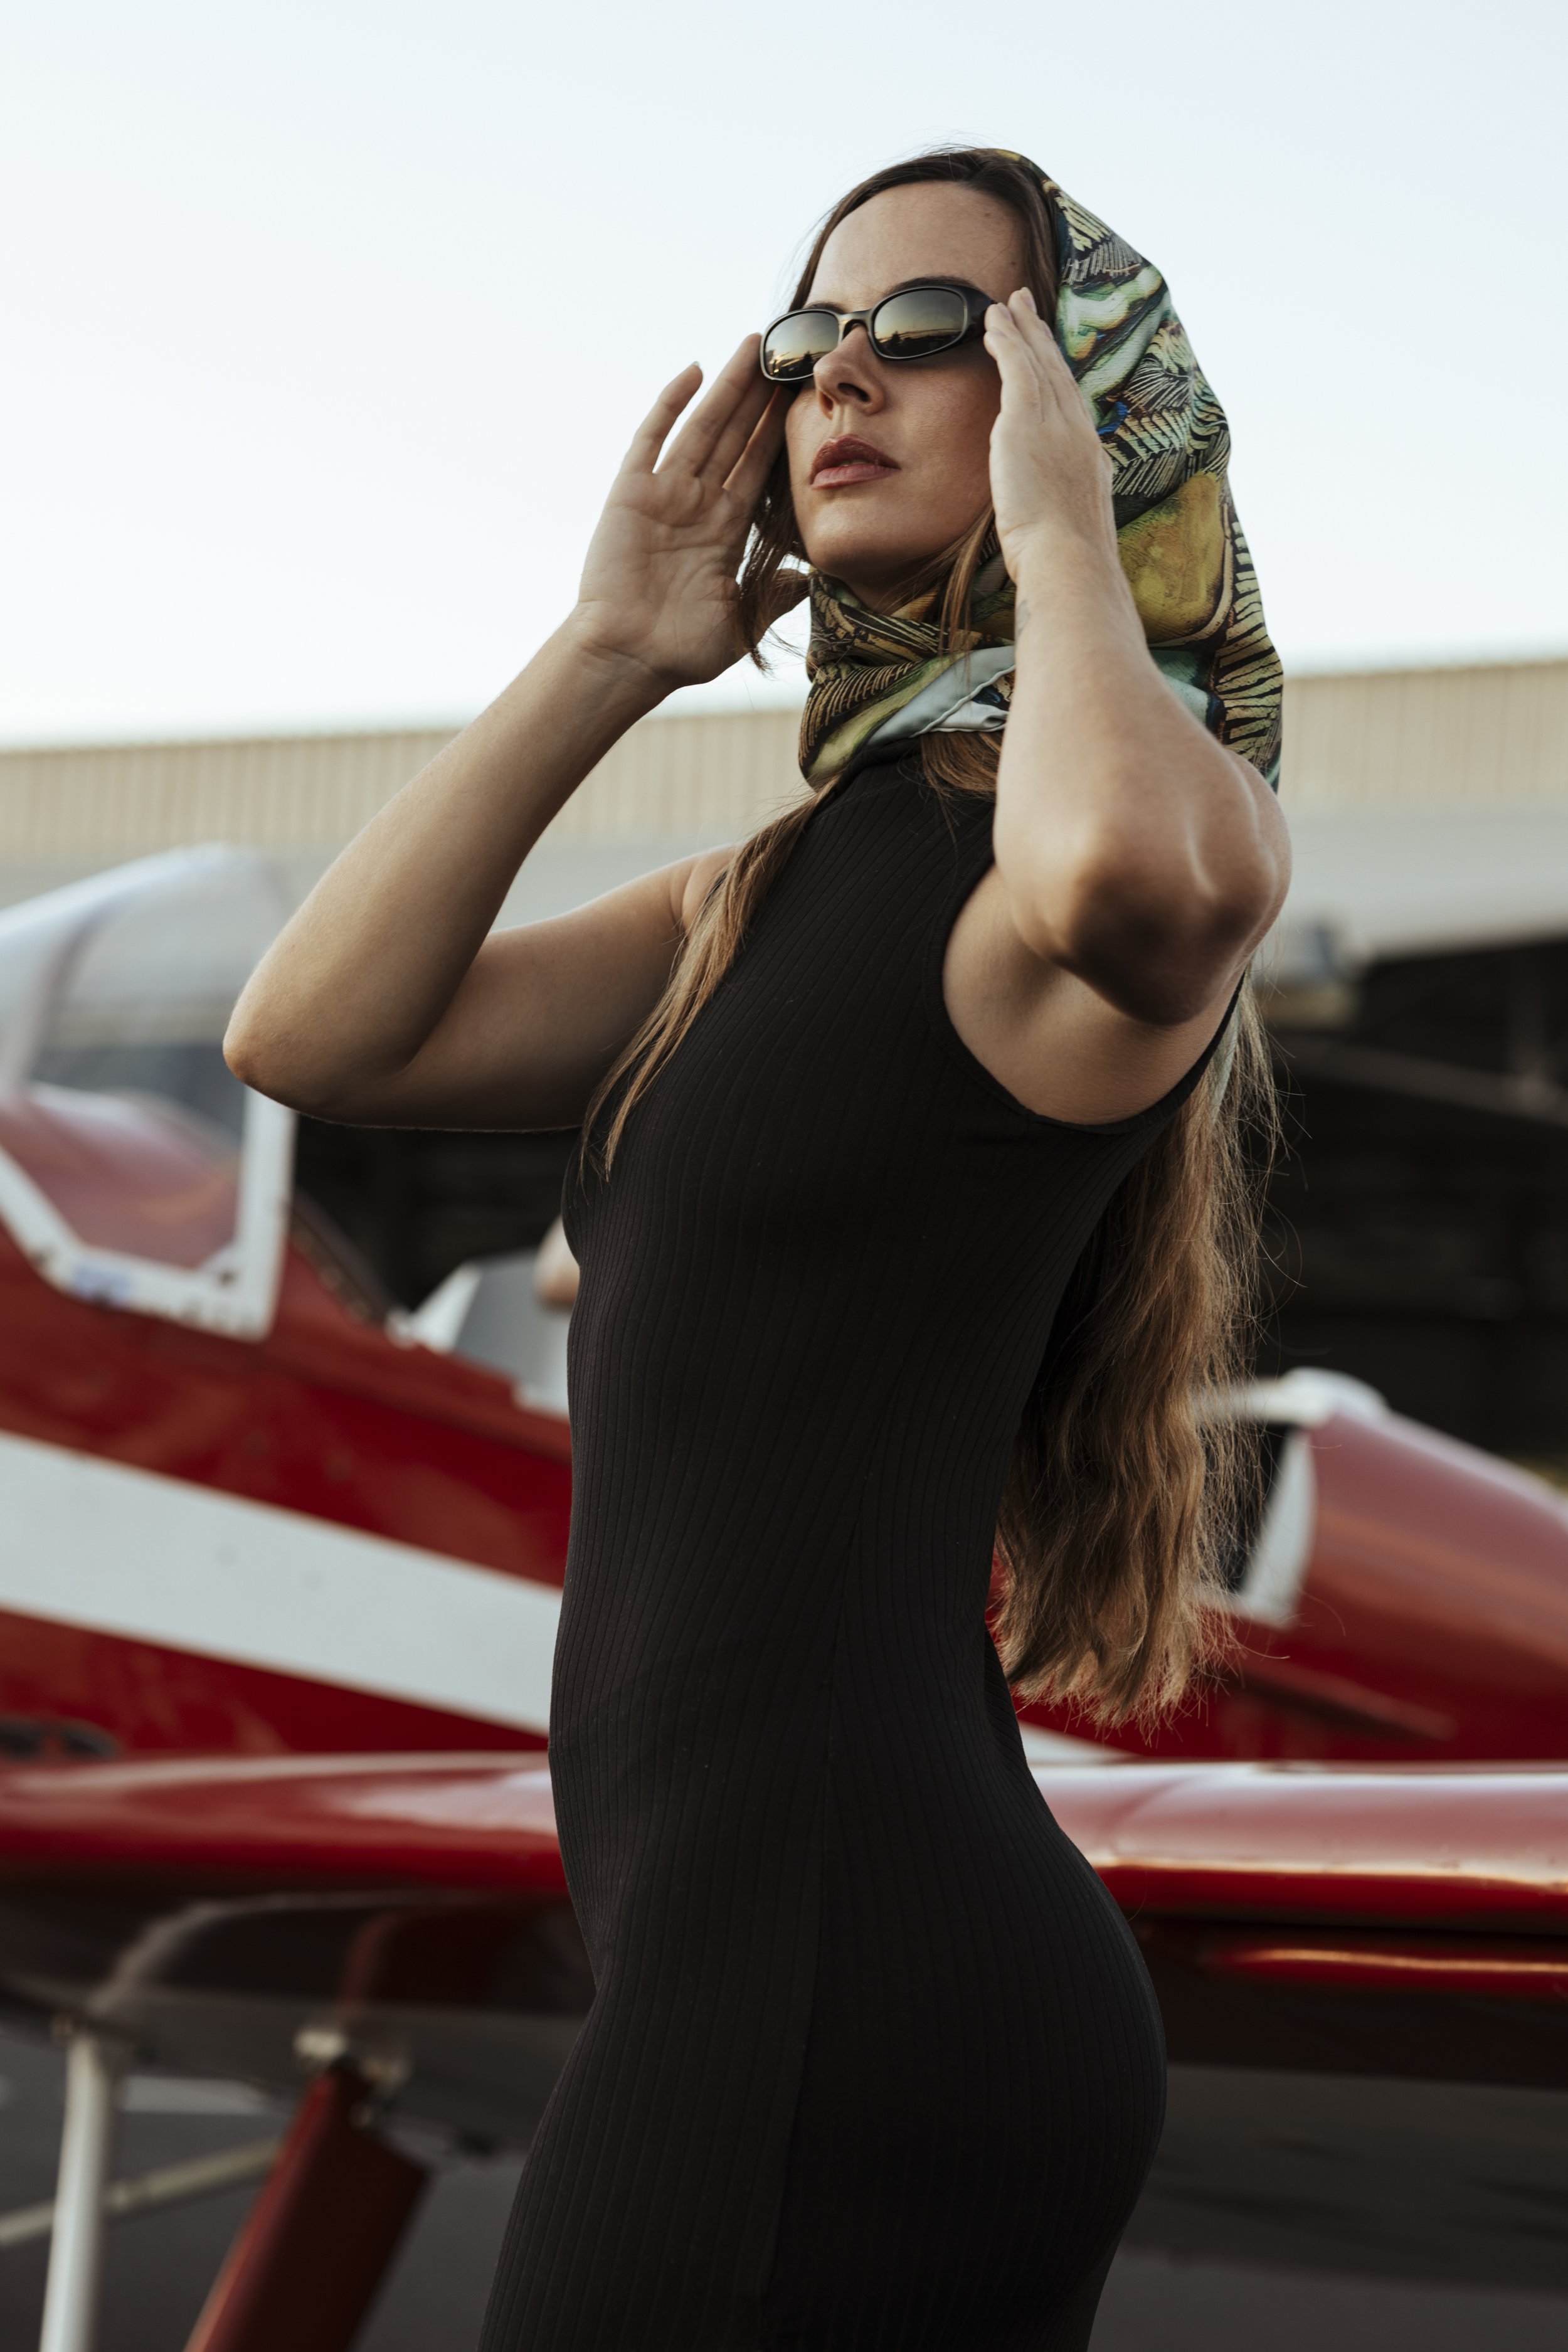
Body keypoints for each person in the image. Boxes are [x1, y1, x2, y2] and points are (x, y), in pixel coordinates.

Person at [227, 147, 1290, 2352]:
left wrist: (1069, 538)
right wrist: (613, 644)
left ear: (1085, 390)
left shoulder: (1089, 863)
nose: (838, 381)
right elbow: (312, 1033)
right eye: (809, 338)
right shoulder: (761, 896)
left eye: (933, 333)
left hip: (848, 1984)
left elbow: (1152, 890)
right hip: (774, 1974)